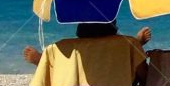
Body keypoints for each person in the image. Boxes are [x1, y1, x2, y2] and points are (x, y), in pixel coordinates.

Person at [22, 23, 151, 65]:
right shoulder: (121, 44)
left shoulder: (67, 47)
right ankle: (135, 46)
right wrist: (136, 44)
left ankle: (44, 61)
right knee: (123, 53)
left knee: (64, 63)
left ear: (80, 31)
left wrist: (41, 59)